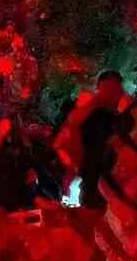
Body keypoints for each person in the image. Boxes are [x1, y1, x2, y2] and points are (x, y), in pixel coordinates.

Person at [53, 70, 129, 199]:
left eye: (116, 89)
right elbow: (67, 136)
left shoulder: (120, 112)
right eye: (109, 89)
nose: (116, 93)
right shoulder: (92, 113)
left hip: (115, 176)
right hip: (95, 179)